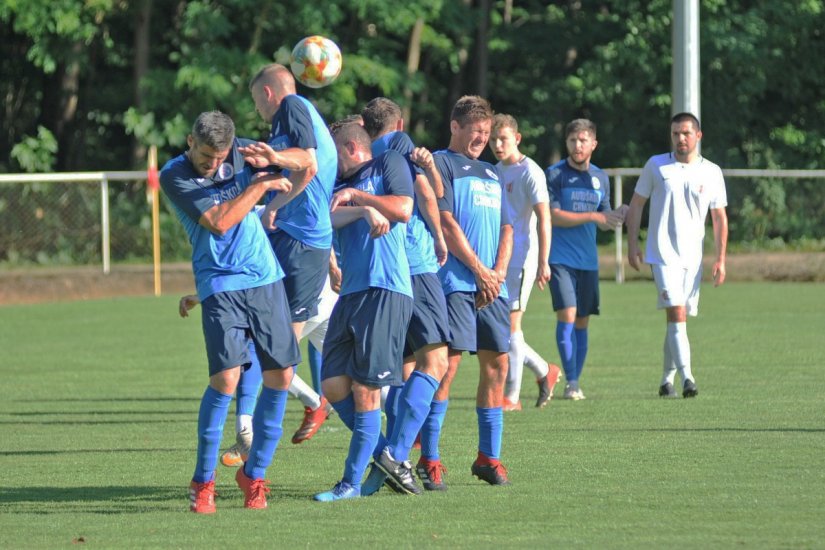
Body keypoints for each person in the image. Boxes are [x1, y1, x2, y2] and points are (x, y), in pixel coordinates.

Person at [160, 111, 301, 513]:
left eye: (220, 156)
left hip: (265, 278)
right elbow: (220, 223)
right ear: (190, 142)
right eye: (206, 155)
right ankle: (203, 482)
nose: (214, 163)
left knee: (281, 375)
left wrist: (281, 158)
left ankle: (254, 475)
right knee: (225, 380)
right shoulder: (176, 174)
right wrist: (260, 186)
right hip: (220, 282)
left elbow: (306, 161)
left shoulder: (241, 153)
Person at [235, 63, 338, 445]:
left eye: (255, 100)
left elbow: (307, 162)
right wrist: (276, 198)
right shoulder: (286, 123)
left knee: (275, 351)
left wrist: (276, 200)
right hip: (295, 239)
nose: (257, 110)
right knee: (264, 342)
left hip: (303, 244)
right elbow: (305, 170)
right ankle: (257, 435)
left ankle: (254, 447)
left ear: (266, 93)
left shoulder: (292, 105)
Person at [313, 122, 414, 501]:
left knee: (366, 393)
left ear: (352, 146)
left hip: (386, 288)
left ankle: (350, 484)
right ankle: (390, 460)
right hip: (353, 293)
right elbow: (325, 219)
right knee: (333, 384)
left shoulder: (387, 163)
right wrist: (360, 210)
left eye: (332, 150)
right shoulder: (335, 184)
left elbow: (403, 208)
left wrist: (360, 196)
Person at [358, 97, 451, 494]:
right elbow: (429, 193)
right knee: (437, 362)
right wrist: (440, 235)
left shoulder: (360, 154)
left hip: (387, 274)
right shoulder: (399, 142)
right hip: (416, 263)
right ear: (398, 122)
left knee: (404, 368)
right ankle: (394, 453)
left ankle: (384, 470)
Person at [427, 95, 514, 487]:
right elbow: (445, 222)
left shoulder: (493, 172)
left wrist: (496, 273)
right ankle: (429, 458)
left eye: (486, 132)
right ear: (454, 126)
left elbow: (508, 227)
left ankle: (488, 458)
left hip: (492, 285)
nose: (481, 138)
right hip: (457, 283)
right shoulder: (439, 164)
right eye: (475, 131)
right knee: (446, 367)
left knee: (498, 365)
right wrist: (479, 271)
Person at [625, 112, 728, 398]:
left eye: (686, 133)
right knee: (677, 312)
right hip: (661, 255)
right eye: (675, 134)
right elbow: (636, 206)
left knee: (677, 319)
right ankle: (688, 379)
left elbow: (719, 218)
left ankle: (665, 380)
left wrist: (720, 258)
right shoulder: (656, 165)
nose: (681, 139)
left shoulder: (712, 171)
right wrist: (633, 245)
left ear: (698, 136)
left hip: (692, 259)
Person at [546, 119, 626, 400]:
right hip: (560, 259)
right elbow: (553, 216)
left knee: (582, 322)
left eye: (583, 140)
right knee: (567, 315)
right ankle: (569, 381)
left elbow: (604, 217)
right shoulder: (555, 174)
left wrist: (616, 217)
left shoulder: (600, 177)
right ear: (566, 143)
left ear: (594, 144)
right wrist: (595, 216)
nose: (577, 146)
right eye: (572, 141)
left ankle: (574, 382)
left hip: (588, 262)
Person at [489, 114, 561, 410]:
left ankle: (512, 396)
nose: (497, 144)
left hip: (522, 257)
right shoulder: (493, 171)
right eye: (493, 139)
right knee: (505, 328)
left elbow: (544, 217)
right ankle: (545, 371)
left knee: (511, 325)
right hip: (500, 257)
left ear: (517, 138)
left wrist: (544, 260)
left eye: (502, 138)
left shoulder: (530, 171)